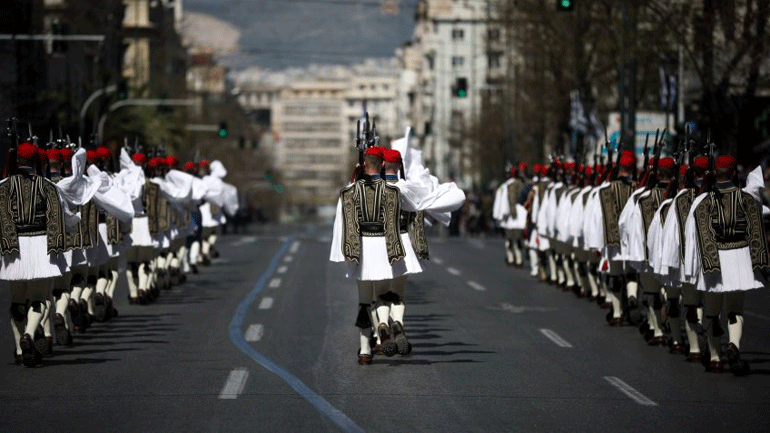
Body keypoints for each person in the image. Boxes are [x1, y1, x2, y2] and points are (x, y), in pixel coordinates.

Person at [683, 155, 768, 374]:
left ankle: (715, 357)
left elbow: (694, 238)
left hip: (714, 260)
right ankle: (733, 344)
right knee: (735, 309)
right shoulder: (747, 198)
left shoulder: (702, 202)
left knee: (712, 312)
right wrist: (759, 263)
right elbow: (757, 229)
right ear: (733, 173)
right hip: (740, 258)